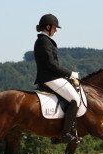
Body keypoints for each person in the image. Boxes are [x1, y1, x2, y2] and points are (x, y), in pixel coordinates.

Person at [34, 14, 81, 143]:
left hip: (52, 76)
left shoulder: (45, 40)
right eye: (55, 27)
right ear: (48, 27)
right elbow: (51, 64)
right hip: (49, 78)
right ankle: (65, 134)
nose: (56, 30)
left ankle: (59, 133)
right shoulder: (44, 41)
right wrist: (70, 73)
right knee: (75, 99)